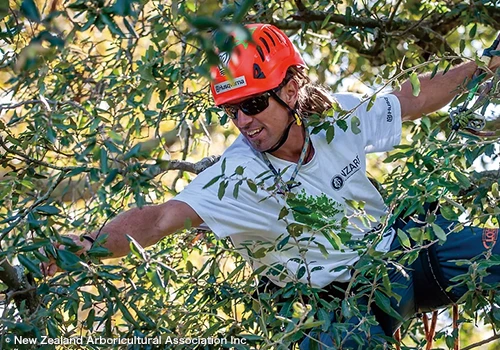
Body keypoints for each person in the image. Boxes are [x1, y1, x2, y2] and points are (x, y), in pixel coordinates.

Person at [42, 24, 500, 348]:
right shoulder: (236, 179)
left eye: (254, 102)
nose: (243, 121)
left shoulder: (335, 118)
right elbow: (158, 219)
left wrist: (483, 66)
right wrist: (80, 246)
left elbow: (409, 98)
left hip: (404, 258)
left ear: (292, 87)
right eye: (232, 110)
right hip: (347, 308)